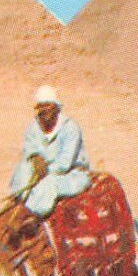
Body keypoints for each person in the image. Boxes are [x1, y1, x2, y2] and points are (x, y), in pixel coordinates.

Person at [9, 85, 92, 219]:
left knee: (48, 184)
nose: (44, 110)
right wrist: (35, 157)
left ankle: (34, 215)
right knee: (22, 170)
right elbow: (29, 150)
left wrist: (43, 172)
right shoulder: (33, 127)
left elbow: (64, 164)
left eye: (47, 105)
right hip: (41, 172)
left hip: (70, 174)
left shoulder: (70, 128)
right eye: (40, 107)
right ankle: (21, 204)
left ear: (56, 107)